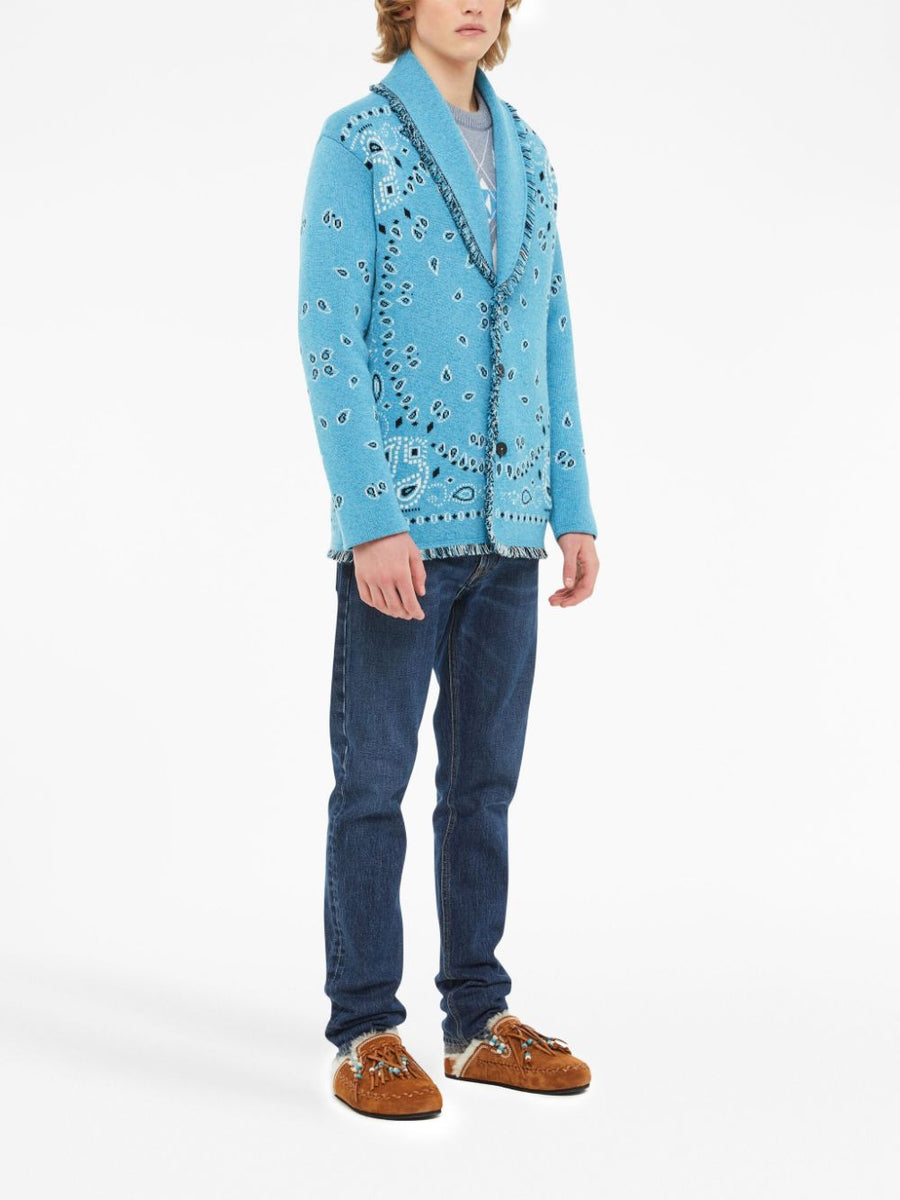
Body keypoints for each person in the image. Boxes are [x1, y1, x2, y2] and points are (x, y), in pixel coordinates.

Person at [297, 0, 598, 1119]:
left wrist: (572, 503)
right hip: (405, 531)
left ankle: (475, 1018)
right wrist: (371, 514)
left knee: (483, 788)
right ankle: (366, 1029)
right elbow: (329, 331)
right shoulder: (359, 139)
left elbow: (552, 332)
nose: (472, 2)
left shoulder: (531, 153)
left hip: (512, 525)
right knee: (372, 784)